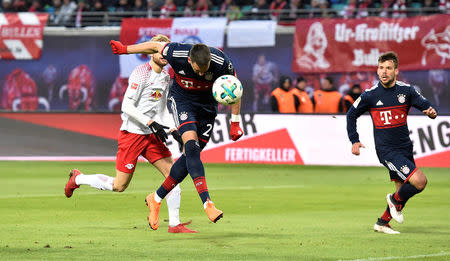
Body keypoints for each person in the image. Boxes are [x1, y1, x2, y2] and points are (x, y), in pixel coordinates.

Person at [109, 36, 244, 230]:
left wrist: (235, 122)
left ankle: (155, 198)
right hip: (183, 101)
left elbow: (235, 88)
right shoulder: (178, 52)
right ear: (190, 60)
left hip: (207, 107)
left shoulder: (223, 62)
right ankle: (207, 203)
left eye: (204, 71)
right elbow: (154, 46)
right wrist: (125, 49)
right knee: (191, 147)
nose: (200, 73)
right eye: (197, 69)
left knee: (191, 155)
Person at [65, 35, 197, 233]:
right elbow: (127, 106)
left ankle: (174, 224)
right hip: (132, 134)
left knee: (174, 176)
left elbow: (162, 109)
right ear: (151, 52)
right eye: (158, 50)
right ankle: (78, 178)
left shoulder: (165, 76)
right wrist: (151, 123)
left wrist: (172, 129)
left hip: (152, 135)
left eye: (165, 51)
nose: (163, 55)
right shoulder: (140, 73)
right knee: (119, 186)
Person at [347, 51, 437, 234]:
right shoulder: (370, 95)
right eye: (381, 68)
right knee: (419, 181)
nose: (384, 72)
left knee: (403, 191)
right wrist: (354, 140)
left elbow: (424, 103)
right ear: (377, 70)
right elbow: (351, 114)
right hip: (387, 150)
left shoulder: (407, 90)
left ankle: (382, 223)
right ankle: (393, 201)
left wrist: (430, 111)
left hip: (405, 147)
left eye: (388, 68)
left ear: (396, 70)